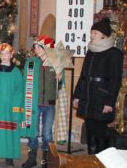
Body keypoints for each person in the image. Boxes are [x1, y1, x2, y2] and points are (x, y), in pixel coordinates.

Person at [73, 18, 123, 154]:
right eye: (92, 32)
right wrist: (77, 96)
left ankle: (102, 160)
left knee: (101, 133)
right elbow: (83, 75)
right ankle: (91, 158)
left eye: (95, 32)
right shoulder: (91, 51)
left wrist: (109, 102)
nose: (91, 35)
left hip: (102, 97)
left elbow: (115, 80)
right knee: (90, 131)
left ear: (104, 35)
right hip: (88, 97)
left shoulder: (115, 53)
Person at [21, 36, 64, 168]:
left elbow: (61, 86)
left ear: (47, 48)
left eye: (40, 47)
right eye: (36, 47)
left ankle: (46, 159)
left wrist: (59, 78)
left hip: (49, 104)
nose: (37, 49)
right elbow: (25, 82)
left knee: (47, 133)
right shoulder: (31, 62)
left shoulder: (55, 62)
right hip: (33, 103)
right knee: (32, 132)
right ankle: (31, 157)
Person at [0, 43, 23, 167]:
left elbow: (19, 92)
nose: (5, 56)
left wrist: (16, 108)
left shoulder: (16, 72)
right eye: (2, 54)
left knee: (10, 132)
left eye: (7, 53)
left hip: (11, 107)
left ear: (11, 55)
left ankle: (9, 156)